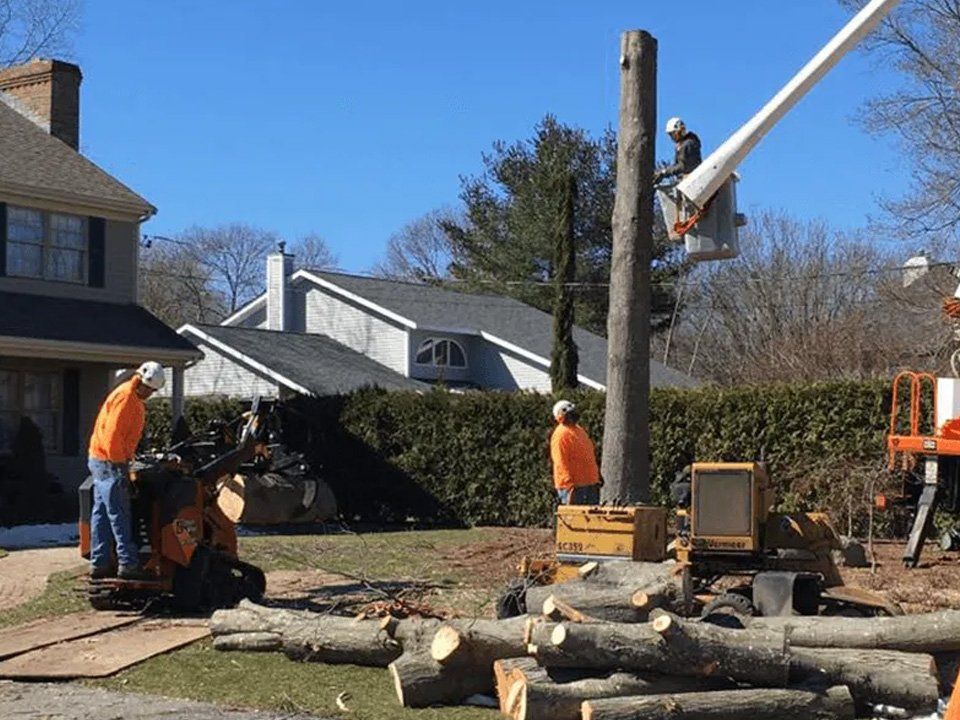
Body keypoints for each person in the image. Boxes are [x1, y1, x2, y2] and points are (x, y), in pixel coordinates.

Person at [87, 361, 165, 579]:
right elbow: (113, 437)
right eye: (149, 389)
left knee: (102, 514)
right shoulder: (126, 399)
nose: (150, 394)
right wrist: (121, 466)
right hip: (109, 462)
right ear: (140, 381)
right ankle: (128, 563)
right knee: (119, 512)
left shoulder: (132, 398)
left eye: (153, 391)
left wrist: (128, 458)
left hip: (101, 459)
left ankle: (99, 563)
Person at [550, 400, 601, 505]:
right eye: (570, 413)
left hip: (589, 483)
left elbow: (589, 454)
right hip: (573, 486)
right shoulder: (561, 434)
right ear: (562, 415)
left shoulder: (579, 430)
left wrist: (597, 475)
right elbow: (560, 460)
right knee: (575, 519)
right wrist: (569, 484)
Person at [653, 117, 702, 184]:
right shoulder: (683, 144)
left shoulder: (688, 145)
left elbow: (682, 166)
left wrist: (665, 172)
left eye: (672, 134)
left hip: (691, 180)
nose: (672, 137)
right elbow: (678, 165)